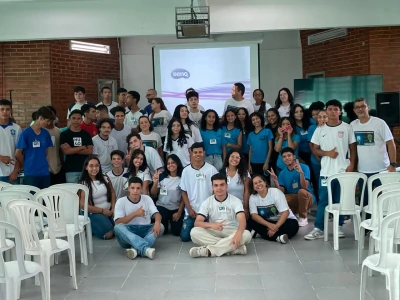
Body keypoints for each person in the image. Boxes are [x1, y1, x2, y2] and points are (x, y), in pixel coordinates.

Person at [305, 99, 357, 240]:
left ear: (340, 111)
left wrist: (351, 165)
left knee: (340, 200)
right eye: (330, 109)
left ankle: (339, 226)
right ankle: (319, 228)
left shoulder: (347, 128)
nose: (333, 112)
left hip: (342, 171)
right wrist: (328, 153)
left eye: (336, 109)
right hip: (326, 172)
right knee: (324, 201)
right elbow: (315, 149)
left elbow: (353, 148)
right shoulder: (320, 129)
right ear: (326, 111)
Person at [189, 173, 252, 257]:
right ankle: (233, 248)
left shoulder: (235, 201)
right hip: (214, 230)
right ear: (212, 187)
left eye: (222, 185)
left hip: (232, 230)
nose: (219, 188)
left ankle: (209, 251)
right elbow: (197, 222)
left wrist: (238, 233)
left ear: (226, 186)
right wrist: (212, 225)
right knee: (194, 232)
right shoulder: (207, 202)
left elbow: (242, 220)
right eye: (216, 185)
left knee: (246, 234)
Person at [351, 97, 396, 207]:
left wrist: (393, 164)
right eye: (357, 107)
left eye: (363, 106)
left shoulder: (379, 123)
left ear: (368, 107)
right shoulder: (352, 125)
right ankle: (369, 223)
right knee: (366, 203)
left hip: (382, 170)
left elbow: (391, 143)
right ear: (354, 110)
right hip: (363, 171)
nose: (360, 109)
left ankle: (386, 223)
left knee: (387, 201)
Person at [114, 177, 164, 260]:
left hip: (145, 230)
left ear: (141, 189)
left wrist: (157, 223)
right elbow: (118, 222)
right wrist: (135, 214)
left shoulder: (147, 198)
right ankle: (144, 249)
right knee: (117, 228)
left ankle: (134, 249)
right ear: (128, 188)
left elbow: (157, 214)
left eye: (138, 188)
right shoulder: (121, 201)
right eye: (132, 188)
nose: (135, 191)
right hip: (128, 233)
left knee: (161, 226)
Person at [179, 142, 219, 242]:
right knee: (185, 237)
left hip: (208, 212)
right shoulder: (186, 171)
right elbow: (183, 192)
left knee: (214, 233)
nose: (198, 154)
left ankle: (201, 228)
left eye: (200, 152)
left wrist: (210, 209)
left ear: (204, 153)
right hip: (191, 212)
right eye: (195, 152)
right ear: (191, 153)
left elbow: (216, 192)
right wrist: (190, 209)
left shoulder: (211, 169)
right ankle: (198, 228)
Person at [268, 147, 315, 227]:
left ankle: (303, 217)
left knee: (301, 192)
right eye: (284, 156)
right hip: (293, 198)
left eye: (289, 155)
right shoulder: (282, 173)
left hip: (307, 197)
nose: (287, 158)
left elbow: (304, 187)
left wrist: (301, 173)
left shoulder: (304, 167)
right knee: (278, 197)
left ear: (294, 156)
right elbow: (281, 192)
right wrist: (276, 182)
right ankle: (293, 213)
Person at [249, 174, 299, 243]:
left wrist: (276, 227)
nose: (258, 184)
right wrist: (268, 225)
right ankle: (278, 237)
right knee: (251, 221)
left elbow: (286, 212)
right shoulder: (253, 197)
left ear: (265, 183)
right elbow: (254, 215)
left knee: (292, 227)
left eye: (260, 181)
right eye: (255, 183)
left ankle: (262, 233)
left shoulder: (275, 192)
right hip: (268, 222)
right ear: (253, 187)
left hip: (285, 220)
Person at [16, 106, 54, 189]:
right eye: (47, 121)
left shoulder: (46, 133)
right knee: (31, 197)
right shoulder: (25, 133)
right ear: (40, 118)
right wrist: (25, 164)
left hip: (44, 171)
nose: (48, 124)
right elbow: (18, 153)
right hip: (31, 172)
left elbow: (46, 151)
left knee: (45, 198)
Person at [79, 155, 116, 239]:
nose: (94, 168)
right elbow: (82, 205)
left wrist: (113, 209)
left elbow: (112, 193)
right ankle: (89, 228)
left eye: (96, 166)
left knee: (119, 226)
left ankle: (105, 224)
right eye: (91, 166)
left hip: (108, 211)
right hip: (93, 212)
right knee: (109, 234)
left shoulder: (105, 177)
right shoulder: (83, 183)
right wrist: (102, 211)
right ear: (86, 167)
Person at [150, 154, 184, 236]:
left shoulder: (182, 177)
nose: (170, 165)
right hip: (162, 206)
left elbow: (184, 197)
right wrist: (155, 182)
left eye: (173, 162)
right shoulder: (161, 176)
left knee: (177, 232)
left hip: (176, 207)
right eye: (168, 163)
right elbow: (153, 194)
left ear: (177, 164)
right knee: (162, 231)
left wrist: (179, 212)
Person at [61, 109, 93, 183]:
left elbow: (89, 151)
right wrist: (82, 147)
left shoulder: (86, 134)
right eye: (74, 118)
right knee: (72, 192)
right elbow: (66, 151)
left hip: (85, 168)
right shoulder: (64, 134)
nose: (76, 120)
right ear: (69, 119)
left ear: (81, 120)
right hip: (70, 169)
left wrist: (72, 149)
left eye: (78, 118)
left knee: (85, 191)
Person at [219, 150, 251, 219]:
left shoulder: (244, 173)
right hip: (225, 206)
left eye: (237, 157)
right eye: (232, 157)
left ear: (240, 160)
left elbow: (247, 191)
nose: (234, 159)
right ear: (228, 158)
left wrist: (246, 208)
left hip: (240, 206)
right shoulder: (221, 172)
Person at [0, 99, 21, 184]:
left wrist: (16, 170)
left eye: (7, 109)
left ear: (11, 111)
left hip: (13, 174)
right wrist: (1, 158)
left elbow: (20, 152)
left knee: (15, 197)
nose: (5, 112)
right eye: (2, 109)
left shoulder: (17, 128)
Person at [44, 106, 64, 185]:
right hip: (45, 168)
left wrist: (61, 164)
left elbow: (60, 150)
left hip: (57, 167)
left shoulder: (58, 131)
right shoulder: (41, 131)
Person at [266, 108, 280, 173]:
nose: (271, 118)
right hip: (270, 154)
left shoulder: (281, 125)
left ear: (277, 115)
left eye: (273, 115)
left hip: (280, 153)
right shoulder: (267, 127)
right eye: (268, 116)